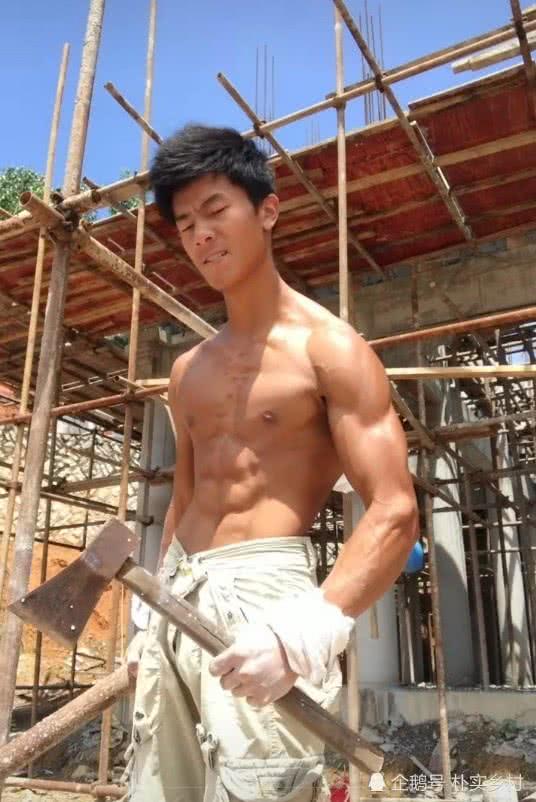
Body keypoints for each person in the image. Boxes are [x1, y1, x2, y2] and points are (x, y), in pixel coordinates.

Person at [124, 124, 418, 802]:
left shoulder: (329, 349)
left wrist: (304, 632)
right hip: (180, 593)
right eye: (185, 224)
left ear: (267, 210)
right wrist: (149, 615)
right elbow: (185, 498)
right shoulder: (187, 370)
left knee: (261, 788)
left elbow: (395, 508)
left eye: (216, 210)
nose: (201, 235)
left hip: (266, 598)